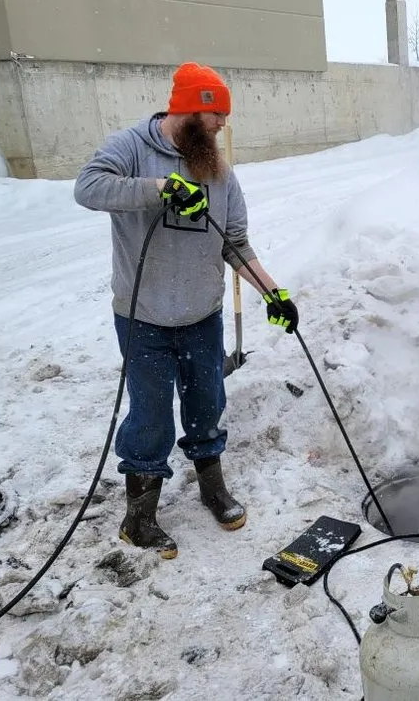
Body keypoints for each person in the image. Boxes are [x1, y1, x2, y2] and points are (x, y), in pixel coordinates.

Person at [73, 62, 298, 560]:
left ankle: (211, 488)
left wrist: (272, 293)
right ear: (190, 109)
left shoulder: (218, 170)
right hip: (143, 317)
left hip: (202, 316)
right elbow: (87, 187)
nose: (221, 127)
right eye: (215, 115)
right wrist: (159, 190)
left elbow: (234, 242)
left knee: (205, 404)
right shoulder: (130, 146)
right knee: (150, 416)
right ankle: (139, 518)